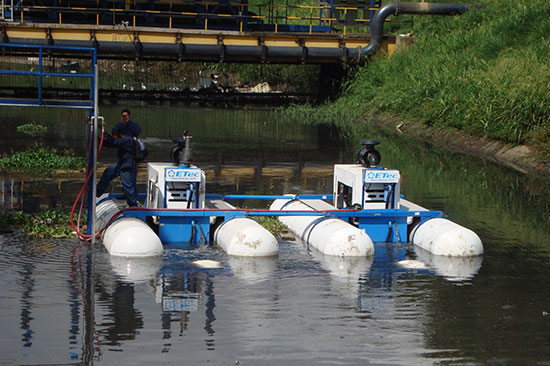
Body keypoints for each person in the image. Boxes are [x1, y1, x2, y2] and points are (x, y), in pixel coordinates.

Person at [97, 109, 142, 207]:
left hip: (127, 165)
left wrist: (103, 133)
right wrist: (100, 136)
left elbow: (113, 142)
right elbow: (111, 142)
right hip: (122, 163)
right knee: (108, 172)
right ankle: (97, 192)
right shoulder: (121, 137)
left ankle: (133, 206)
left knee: (128, 186)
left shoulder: (127, 140)